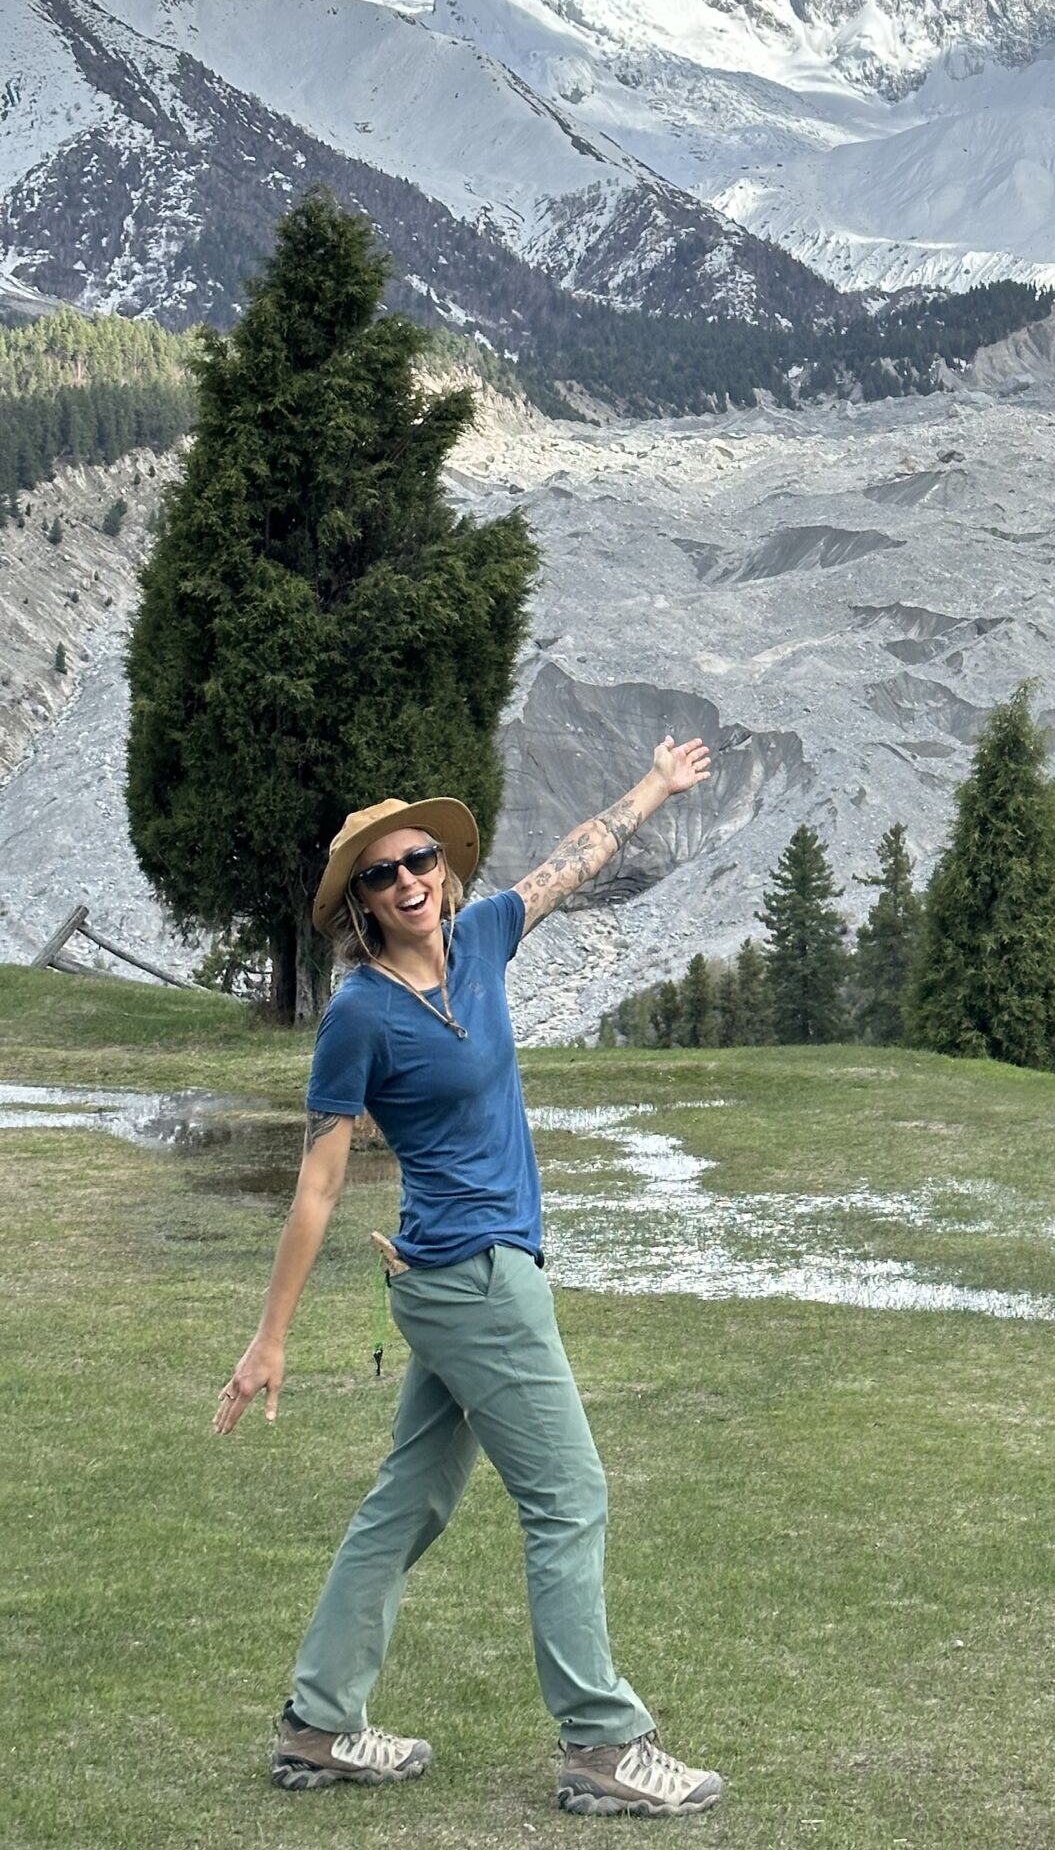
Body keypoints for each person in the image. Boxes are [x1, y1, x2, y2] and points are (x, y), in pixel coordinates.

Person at [214, 738, 725, 1819]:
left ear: (444, 869)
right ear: (360, 899)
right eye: (383, 873)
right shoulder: (360, 1012)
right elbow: (317, 1180)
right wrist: (271, 1334)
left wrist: (653, 788)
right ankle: (603, 1741)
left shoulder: (484, 938)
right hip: (477, 1278)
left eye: (419, 862)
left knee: (412, 1496)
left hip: (458, 1274)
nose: (407, 881)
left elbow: (572, 861)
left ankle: (318, 1720)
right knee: (569, 1495)